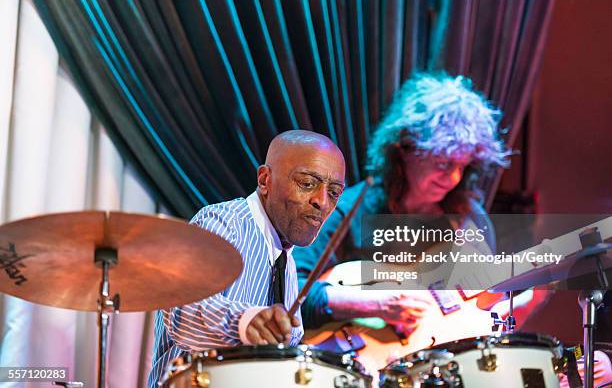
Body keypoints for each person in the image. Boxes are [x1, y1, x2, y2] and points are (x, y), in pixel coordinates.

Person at [294, 72, 510, 330]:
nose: (453, 177)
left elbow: (484, 316)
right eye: (443, 163)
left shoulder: (471, 218)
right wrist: (377, 305)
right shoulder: (346, 211)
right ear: (404, 150)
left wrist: (527, 301)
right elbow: (290, 294)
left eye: (463, 166)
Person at [148, 130, 346, 387]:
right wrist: (245, 321)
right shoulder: (224, 223)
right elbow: (183, 312)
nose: (322, 201)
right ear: (265, 180)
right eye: (307, 183)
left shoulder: (285, 260)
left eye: (333, 192)